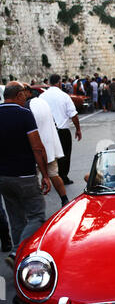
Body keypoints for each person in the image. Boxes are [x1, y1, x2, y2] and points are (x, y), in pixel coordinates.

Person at [0, 81, 51, 269]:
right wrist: (45, 175)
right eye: (25, 93)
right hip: (24, 175)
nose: (27, 96)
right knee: (37, 214)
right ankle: (17, 252)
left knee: (15, 217)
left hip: (3, 176)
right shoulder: (24, 114)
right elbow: (37, 147)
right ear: (19, 95)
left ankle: (17, 253)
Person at [24, 84, 69, 207]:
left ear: (28, 92)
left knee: (33, 179)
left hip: (36, 149)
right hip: (49, 146)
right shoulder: (42, 103)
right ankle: (64, 199)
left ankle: (36, 207)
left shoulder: (28, 106)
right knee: (54, 174)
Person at [40, 74, 82, 185]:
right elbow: (73, 114)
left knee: (50, 154)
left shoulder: (42, 97)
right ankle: (63, 177)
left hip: (47, 130)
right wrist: (78, 129)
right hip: (62, 130)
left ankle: (51, 177)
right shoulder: (64, 96)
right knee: (65, 154)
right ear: (59, 83)